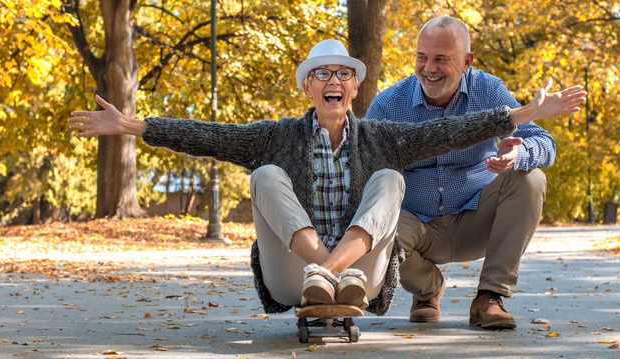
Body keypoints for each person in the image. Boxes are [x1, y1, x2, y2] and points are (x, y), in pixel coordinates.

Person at [69, 39, 584, 316]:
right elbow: (208, 135)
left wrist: (518, 115)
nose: (332, 81)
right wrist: (131, 125)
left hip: (364, 277)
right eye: (321, 74)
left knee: (388, 179)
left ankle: (337, 272)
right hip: (294, 273)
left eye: (342, 74)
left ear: (355, 89)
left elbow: (455, 131)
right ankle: (324, 270)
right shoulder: (276, 136)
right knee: (267, 175)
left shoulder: (382, 136)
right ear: (307, 89)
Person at [365, 16, 558, 328]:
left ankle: (489, 297)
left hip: (476, 219)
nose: (429, 68)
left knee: (531, 177)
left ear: (467, 61)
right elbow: (363, 171)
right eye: (422, 57)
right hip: (414, 225)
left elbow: (544, 143)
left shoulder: (489, 90)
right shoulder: (388, 104)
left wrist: (517, 154)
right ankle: (428, 289)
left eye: (441, 59)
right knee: (370, 228)